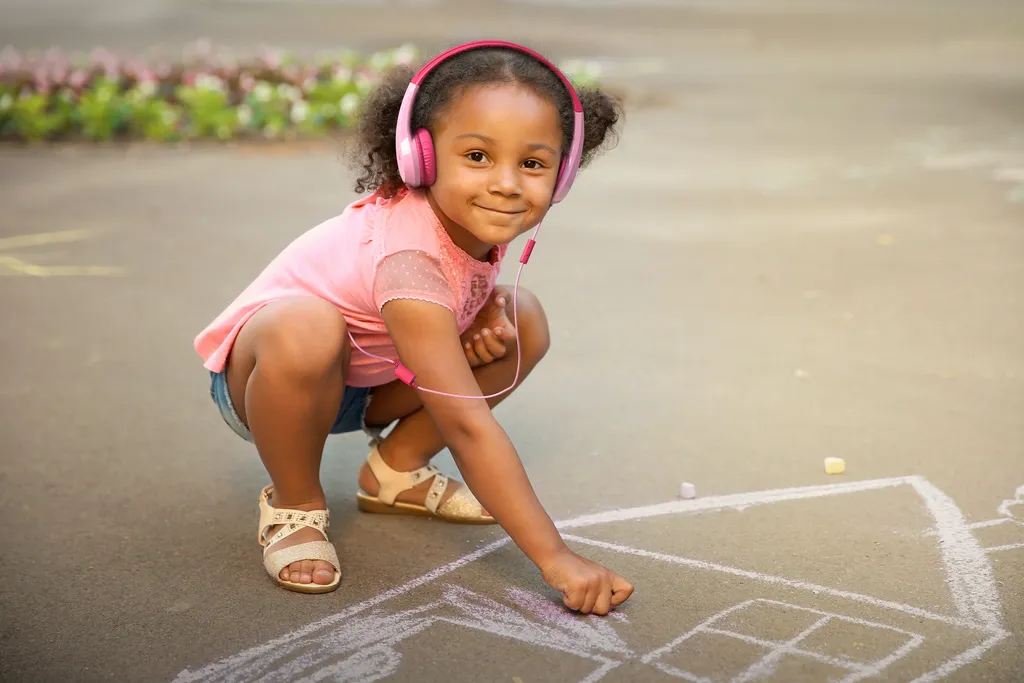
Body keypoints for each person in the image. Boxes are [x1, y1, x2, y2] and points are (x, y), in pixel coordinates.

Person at [193, 41, 634, 615]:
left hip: (371, 379)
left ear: (563, 173)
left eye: (532, 164)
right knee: (307, 325)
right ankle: (294, 504)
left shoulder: (470, 224)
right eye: (477, 156)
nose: (506, 183)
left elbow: (447, 310)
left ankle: (394, 473)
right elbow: (467, 425)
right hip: (272, 382)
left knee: (520, 319)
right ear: (421, 158)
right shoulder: (409, 261)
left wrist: (477, 315)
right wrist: (556, 558)